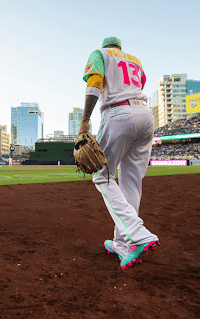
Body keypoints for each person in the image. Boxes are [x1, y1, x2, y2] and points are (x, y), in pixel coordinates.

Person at [80, 36, 159, 270]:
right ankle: (122, 244)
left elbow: (94, 82)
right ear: (120, 47)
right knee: (131, 182)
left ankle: (137, 233)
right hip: (145, 115)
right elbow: (140, 84)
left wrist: (85, 119)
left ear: (106, 46)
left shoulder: (100, 54)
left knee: (101, 175)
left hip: (118, 114)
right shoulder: (134, 60)